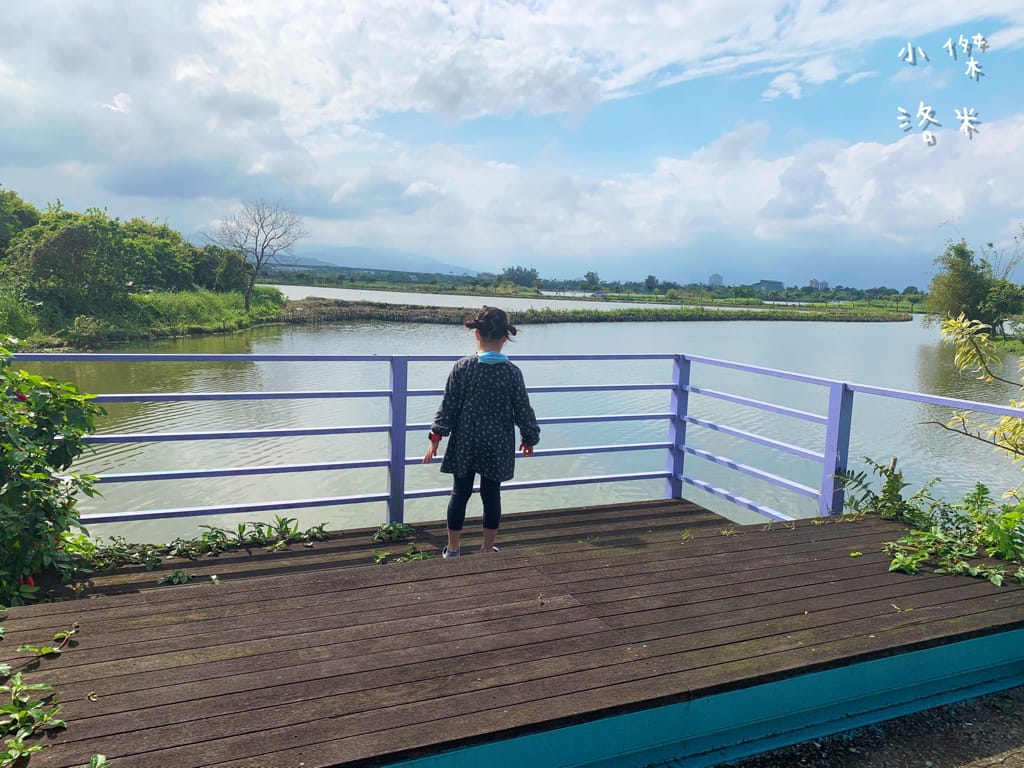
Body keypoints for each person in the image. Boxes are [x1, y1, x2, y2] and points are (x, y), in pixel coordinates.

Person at [422, 306, 540, 557]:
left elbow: (448, 407)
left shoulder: (462, 368)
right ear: (505, 337)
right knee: (491, 495)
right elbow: (523, 410)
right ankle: (487, 549)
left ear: (477, 334)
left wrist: (436, 438)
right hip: (497, 444)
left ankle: (453, 548)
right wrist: (529, 438)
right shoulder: (512, 373)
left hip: (465, 441)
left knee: (459, 493)